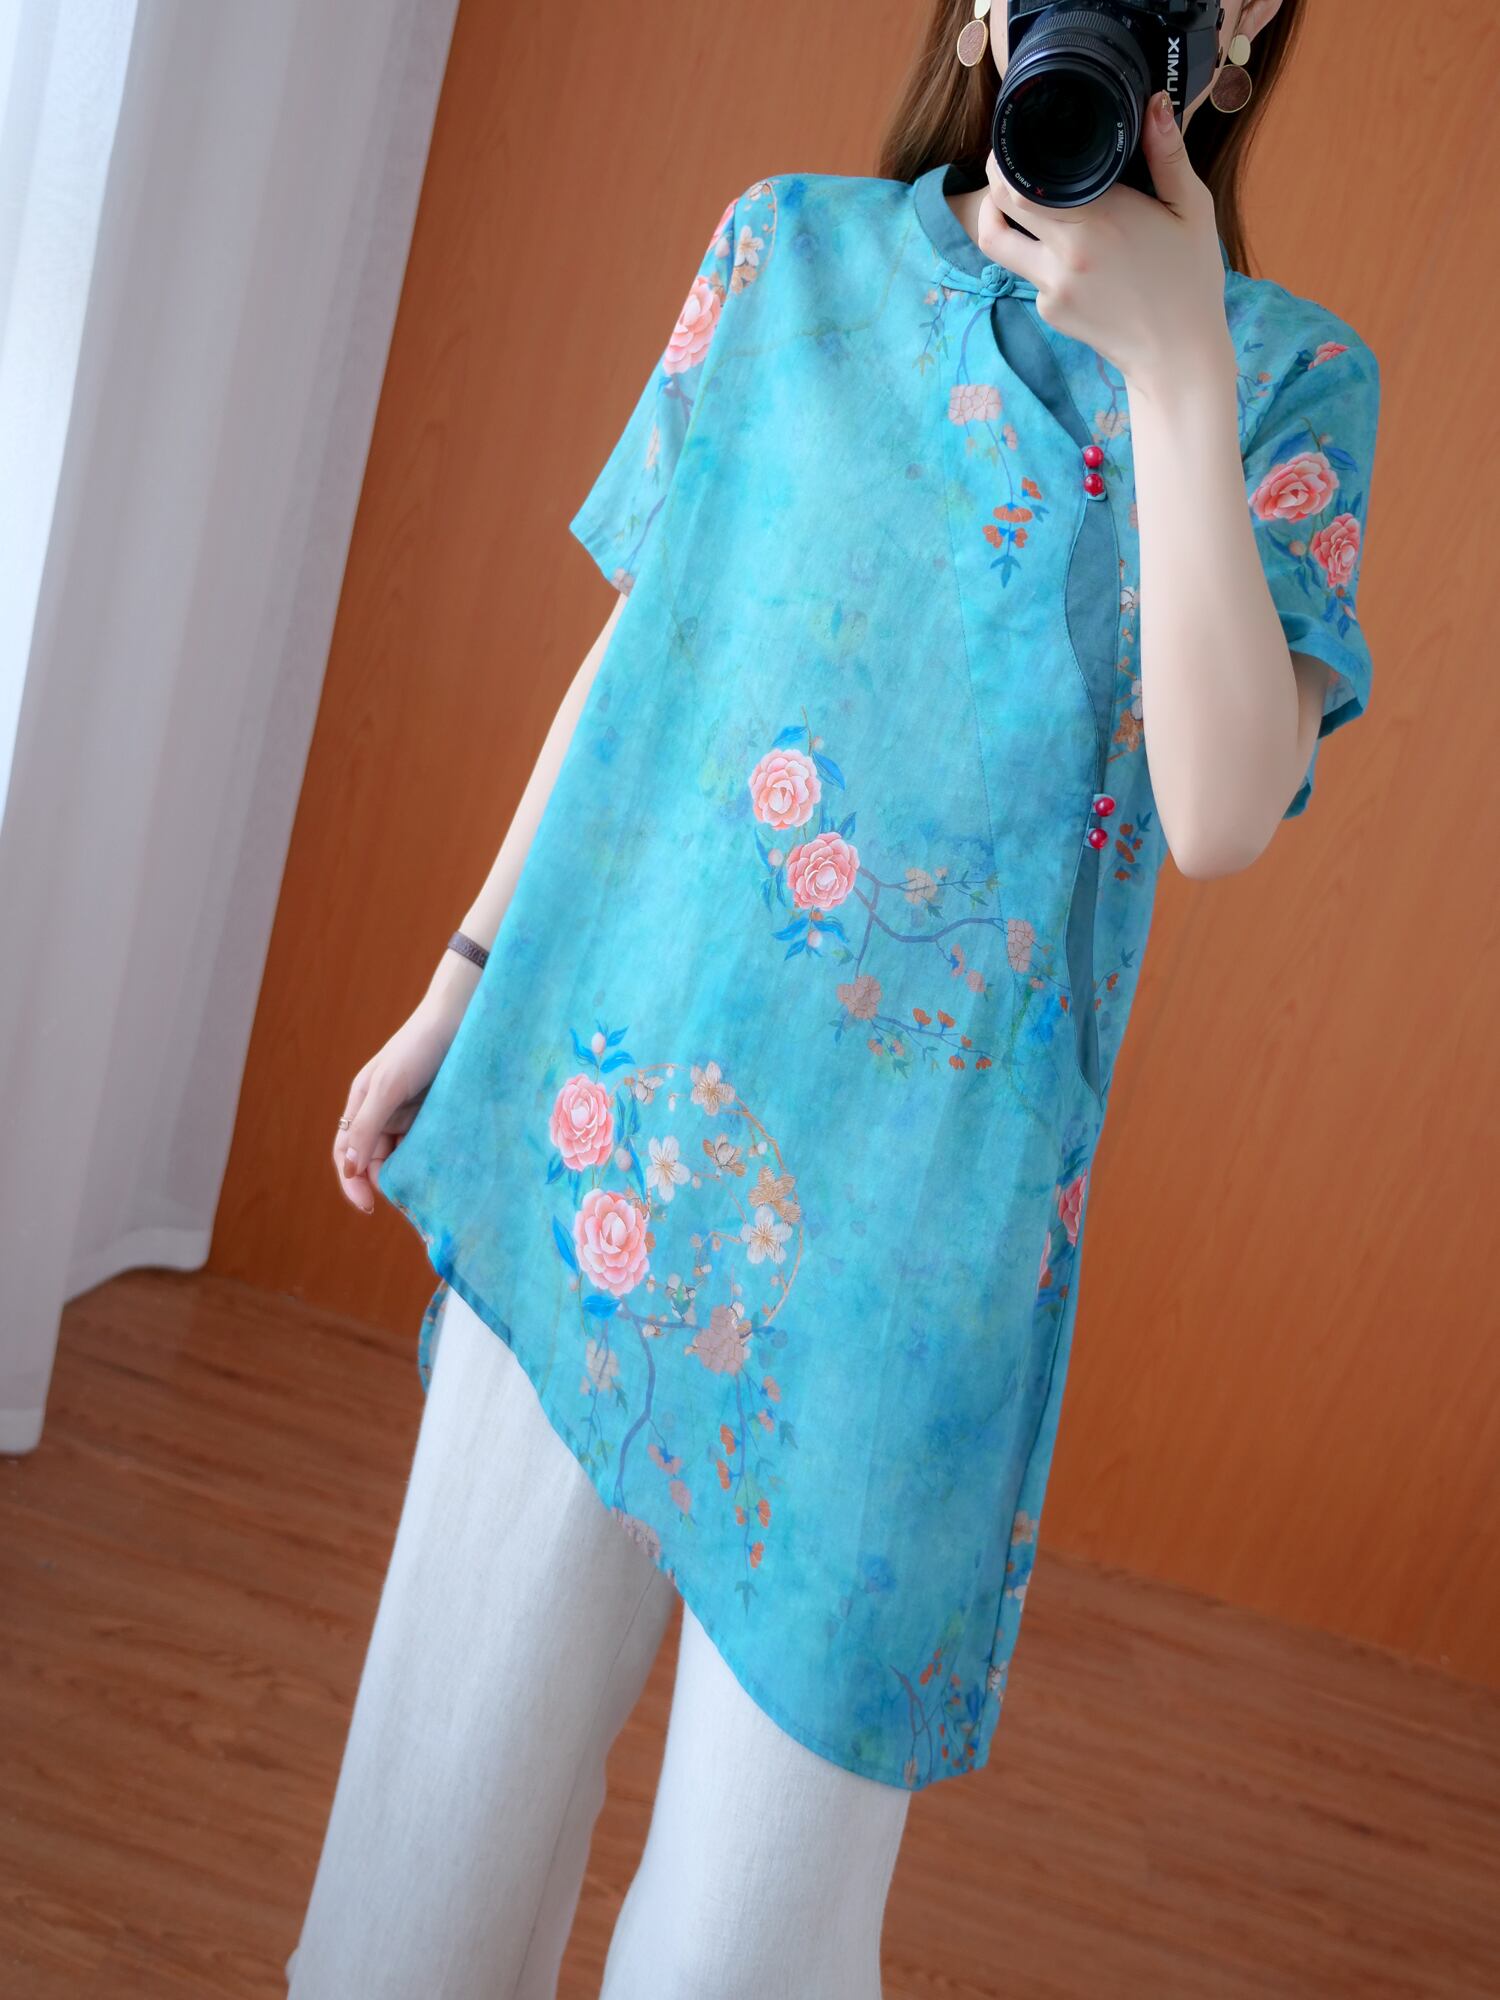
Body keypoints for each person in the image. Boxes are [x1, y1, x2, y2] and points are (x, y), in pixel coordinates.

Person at [287, 0, 1381, 1992]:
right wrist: (461, 982)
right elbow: (638, 663)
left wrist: (1177, 365)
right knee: (426, 1859)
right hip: (601, 1132)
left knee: (747, 1948)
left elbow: (1223, 811)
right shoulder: (784, 252)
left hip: (908, 1278)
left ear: (1240, 26)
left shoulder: (1287, 386)